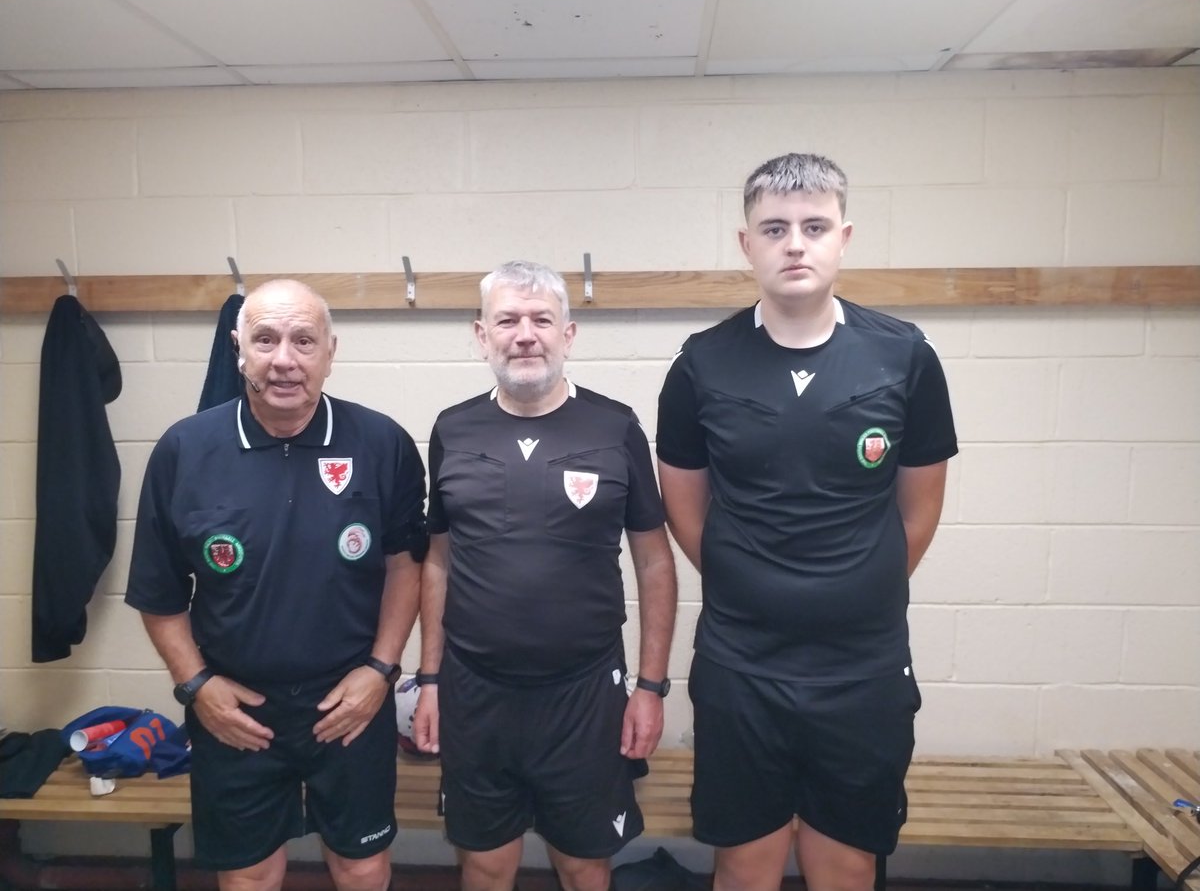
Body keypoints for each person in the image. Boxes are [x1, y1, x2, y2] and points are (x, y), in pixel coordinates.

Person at [656, 153, 958, 891]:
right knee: (745, 864)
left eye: (814, 227)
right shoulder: (701, 364)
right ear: (747, 243)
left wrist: (851, 584)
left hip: (863, 668)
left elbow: (919, 509)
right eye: (775, 228)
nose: (795, 244)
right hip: (742, 665)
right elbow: (686, 508)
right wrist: (753, 581)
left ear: (843, 238)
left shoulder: (905, 356)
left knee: (846, 864)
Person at [125, 279, 427, 891]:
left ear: (330, 352)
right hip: (234, 709)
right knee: (250, 875)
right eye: (265, 340)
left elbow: (405, 564)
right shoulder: (185, 449)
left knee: (362, 867)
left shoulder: (382, 443)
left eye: (303, 341)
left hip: (351, 701)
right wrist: (197, 687)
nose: (284, 359)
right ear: (238, 350)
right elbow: (159, 595)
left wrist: (381, 670)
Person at [413, 260, 678, 891]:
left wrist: (650, 687)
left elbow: (654, 560)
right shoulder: (452, 428)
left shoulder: (616, 426)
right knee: (485, 863)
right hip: (476, 691)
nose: (525, 335)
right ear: (482, 335)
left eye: (541, 320)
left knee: (583, 863)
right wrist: (429, 680)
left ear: (568, 333)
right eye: (507, 320)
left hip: (584, 692)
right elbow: (438, 561)